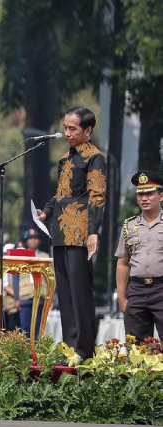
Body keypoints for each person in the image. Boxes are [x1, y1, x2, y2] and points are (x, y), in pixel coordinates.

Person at [37, 106, 106, 359]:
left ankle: (85, 350)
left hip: (80, 232)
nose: (66, 132)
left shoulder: (94, 158)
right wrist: (46, 211)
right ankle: (69, 347)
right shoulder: (65, 159)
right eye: (65, 127)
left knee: (80, 292)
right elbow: (61, 193)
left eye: (72, 128)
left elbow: (97, 196)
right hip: (60, 233)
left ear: (87, 131)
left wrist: (93, 232)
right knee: (64, 293)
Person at [115, 170, 163, 342]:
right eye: (141, 194)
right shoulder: (129, 226)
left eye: (150, 193)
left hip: (161, 287)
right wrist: (121, 298)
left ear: (161, 196)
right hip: (137, 290)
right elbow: (123, 263)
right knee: (136, 349)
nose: (144, 198)